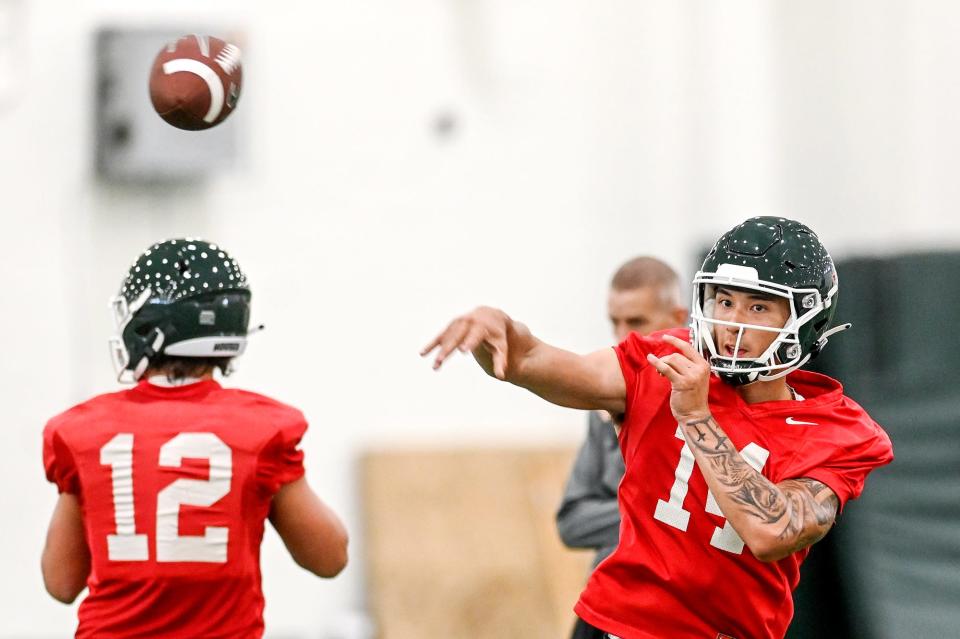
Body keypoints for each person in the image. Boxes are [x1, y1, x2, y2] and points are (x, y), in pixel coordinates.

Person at [422, 217, 893, 639]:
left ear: (806, 319)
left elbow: (773, 531)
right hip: (623, 625)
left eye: (758, 308)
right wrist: (498, 331)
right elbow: (534, 361)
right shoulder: (667, 357)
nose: (731, 324)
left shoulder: (840, 429)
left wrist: (696, 415)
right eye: (724, 300)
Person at [41, 239, 348, 639]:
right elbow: (329, 557)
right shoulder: (263, 427)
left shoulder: (81, 430)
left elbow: (60, 582)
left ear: (149, 324)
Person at [556, 257, 687, 639]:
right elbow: (571, 522)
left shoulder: (714, 401)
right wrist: (653, 513)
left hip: (676, 611)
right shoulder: (607, 400)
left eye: (636, 322)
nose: (622, 335)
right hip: (607, 602)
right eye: (614, 321)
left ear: (678, 317)